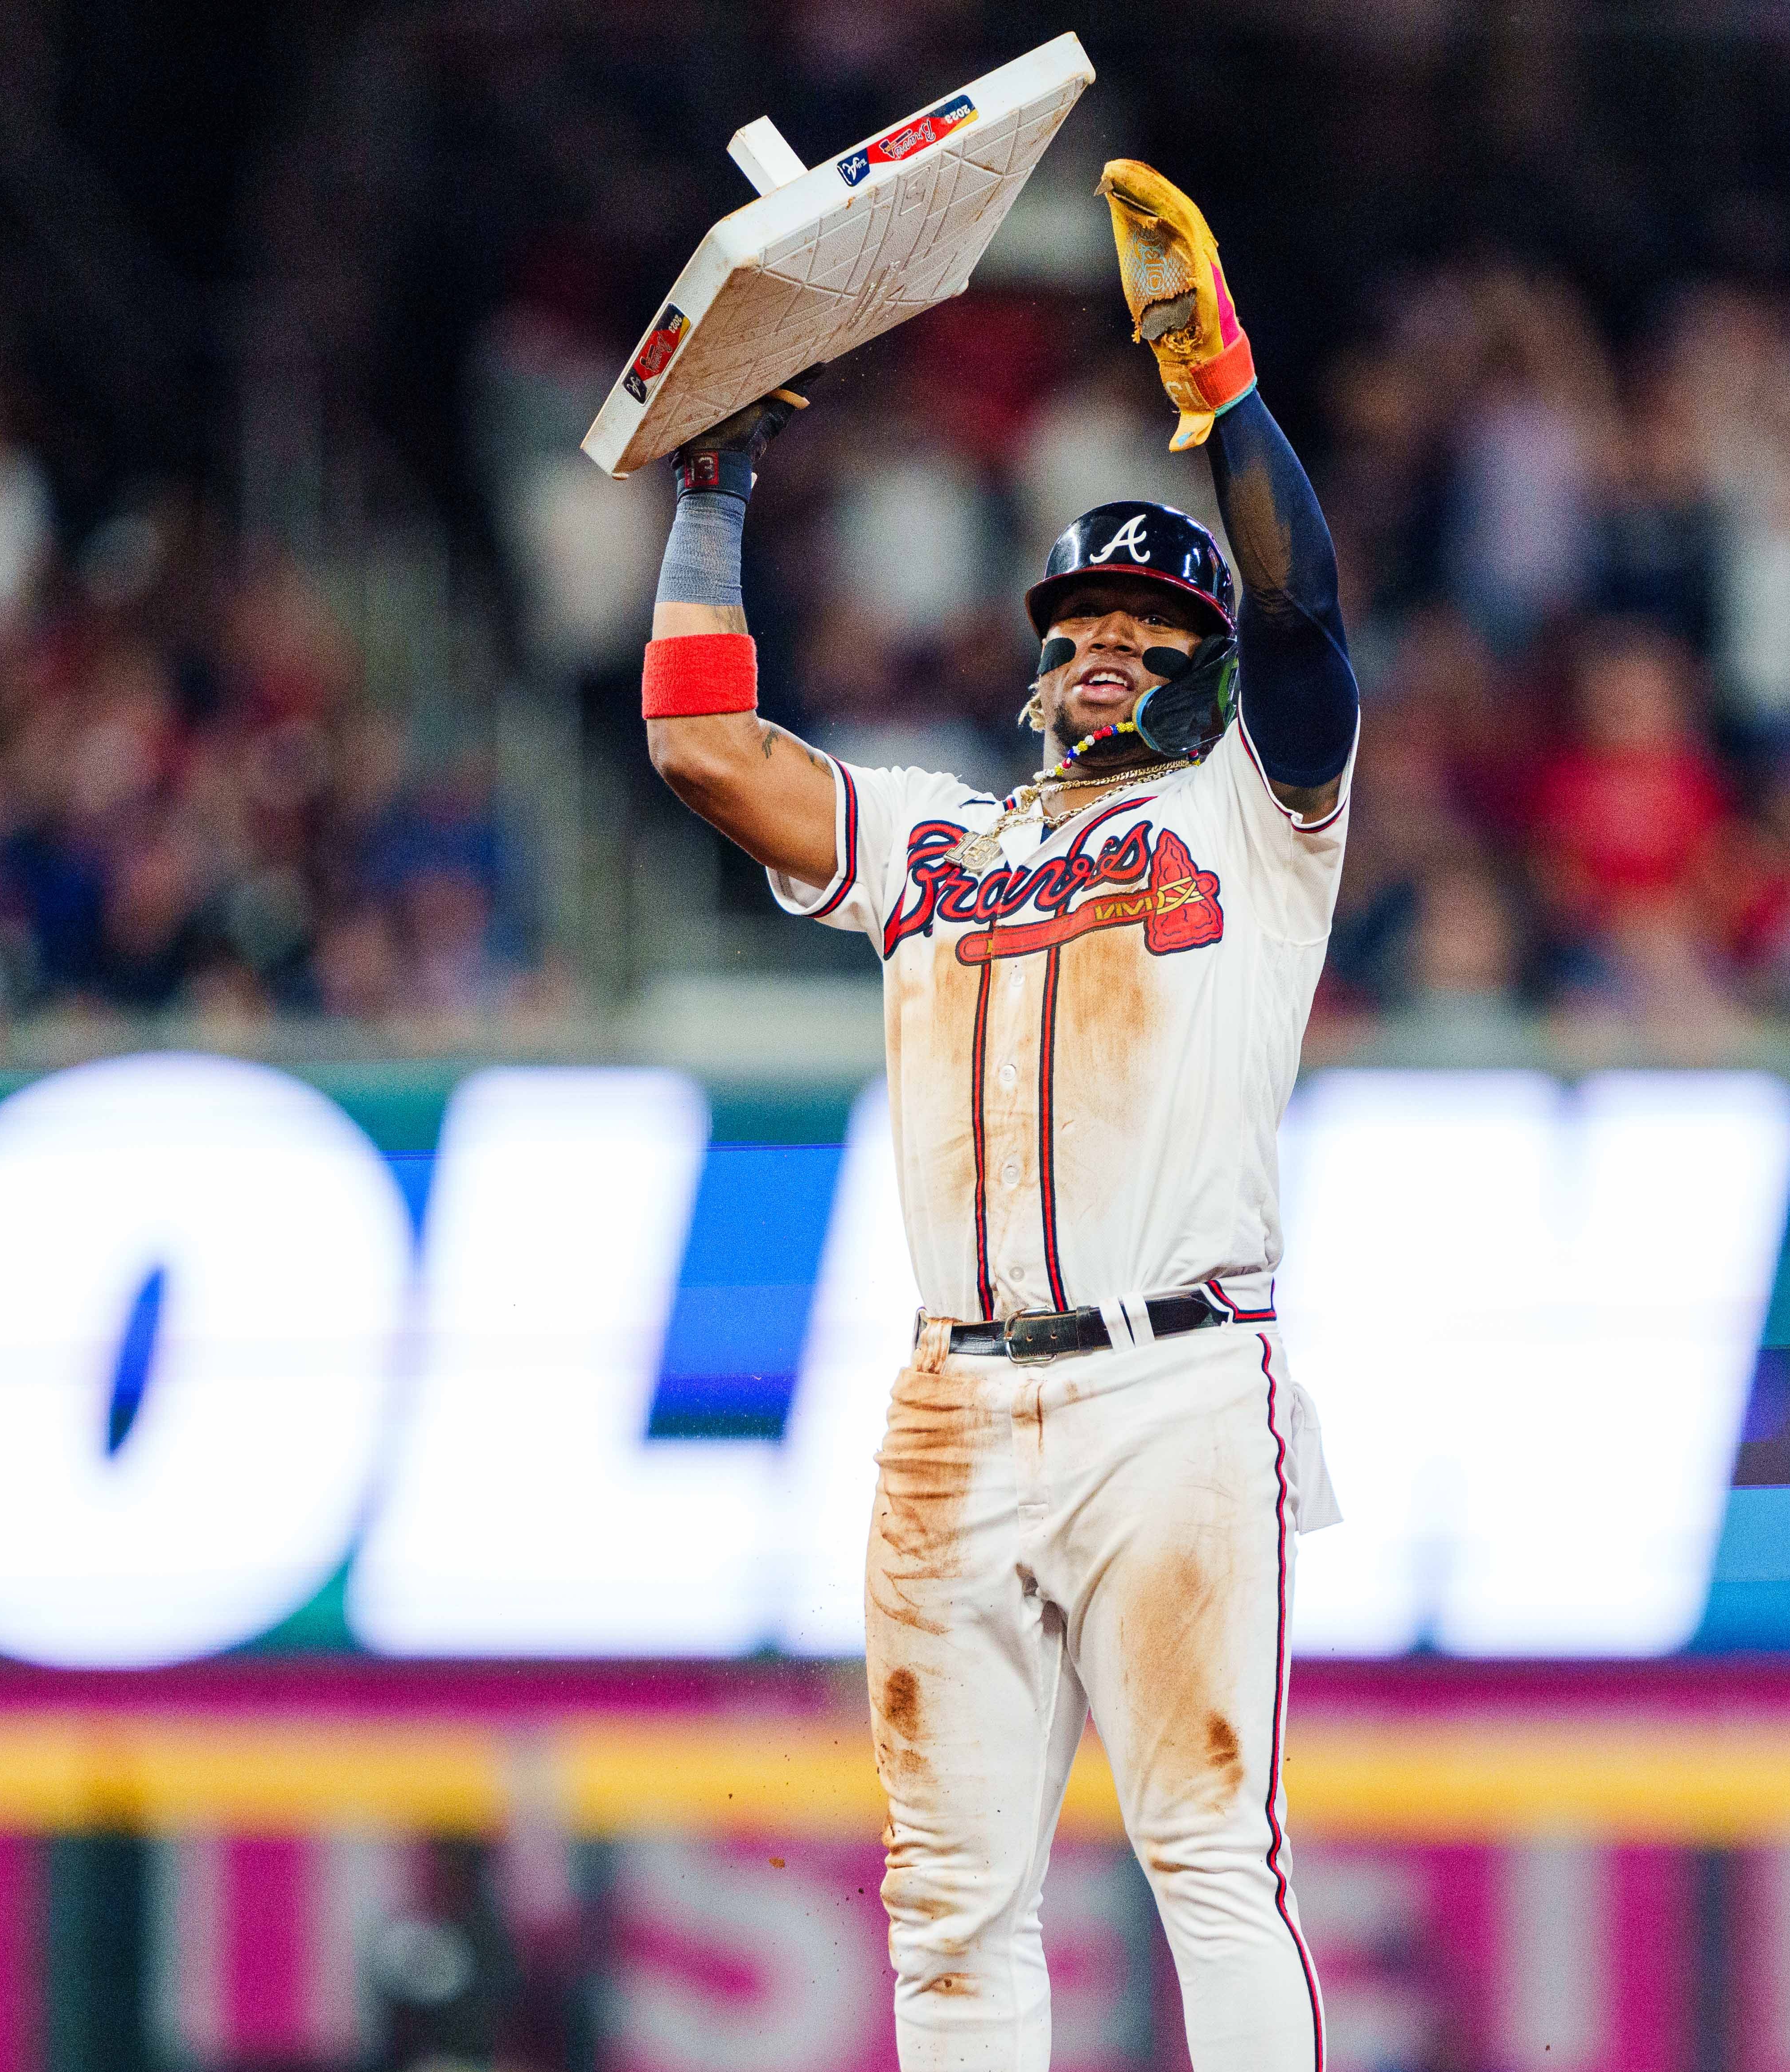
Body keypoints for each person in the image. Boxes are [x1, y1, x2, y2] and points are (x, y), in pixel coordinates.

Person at [636, 162, 1351, 2072]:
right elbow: (707, 749)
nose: (1102, 645)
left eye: (1145, 622)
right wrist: (714, 503)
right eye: (1078, 621)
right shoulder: (938, 839)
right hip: (954, 1403)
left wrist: (1222, 393)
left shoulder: (1255, 819)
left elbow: (1301, 619)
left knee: (1212, 1843)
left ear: (1195, 666)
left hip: (1177, 1381)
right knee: (947, 1900)